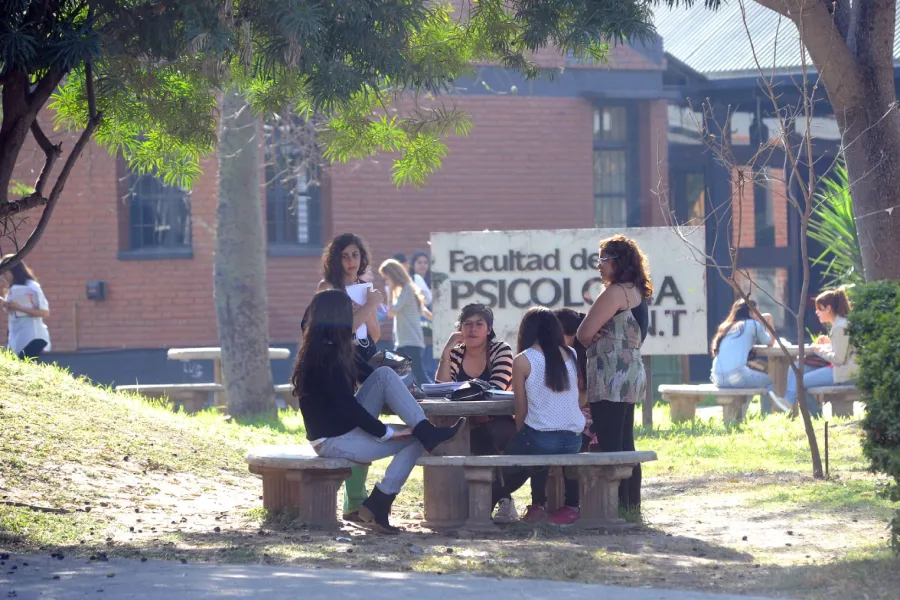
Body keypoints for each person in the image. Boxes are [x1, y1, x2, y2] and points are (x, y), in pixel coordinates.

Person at [292, 289, 464, 534]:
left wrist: (406, 391)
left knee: (386, 377)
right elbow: (347, 407)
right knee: (417, 440)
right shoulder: (325, 356)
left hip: (343, 427)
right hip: (332, 439)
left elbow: (375, 377)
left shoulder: (336, 347)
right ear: (336, 316)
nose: (355, 310)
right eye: (349, 307)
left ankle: (425, 431)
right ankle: (380, 502)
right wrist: (385, 432)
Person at [576, 235, 651, 513]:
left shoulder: (614, 292)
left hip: (609, 373)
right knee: (625, 442)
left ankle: (611, 509)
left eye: (603, 259)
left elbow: (583, 333)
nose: (599, 266)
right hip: (631, 371)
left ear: (619, 262)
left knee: (609, 443)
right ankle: (630, 507)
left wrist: (592, 334)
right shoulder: (638, 293)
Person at [490, 307, 585, 523]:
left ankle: (492, 505)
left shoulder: (523, 360)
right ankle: (559, 507)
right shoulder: (571, 354)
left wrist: (522, 436)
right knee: (534, 450)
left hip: (542, 438)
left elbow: (520, 409)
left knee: (513, 462)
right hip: (573, 440)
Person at [311, 233, 382, 522]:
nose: (351, 261)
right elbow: (337, 332)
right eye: (345, 255)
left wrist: (367, 309)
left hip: (364, 360)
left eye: (355, 255)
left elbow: (374, 335)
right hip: (336, 365)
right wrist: (361, 310)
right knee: (352, 427)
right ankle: (355, 500)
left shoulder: (364, 288)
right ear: (335, 258)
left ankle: (356, 500)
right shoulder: (326, 288)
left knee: (366, 427)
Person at [434, 303, 518, 522]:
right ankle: (484, 502)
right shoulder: (456, 353)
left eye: (478, 324)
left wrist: (462, 395)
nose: (472, 329)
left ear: (488, 329)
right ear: (459, 328)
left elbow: (494, 391)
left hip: (500, 420)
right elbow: (442, 387)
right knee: (453, 436)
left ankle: (500, 501)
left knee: (480, 435)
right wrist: (446, 352)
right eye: (467, 324)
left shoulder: (501, 349)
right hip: (463, 421)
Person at [775, 288, 858, 417]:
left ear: (828, 308)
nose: (816, 312)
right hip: (841, 369)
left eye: (819, 309)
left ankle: (816, 417)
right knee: (797, 369)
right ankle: (790, 402)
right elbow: (844, 349)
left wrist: (819, 350)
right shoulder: (840, 324)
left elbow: (839, 359)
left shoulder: (840, 326)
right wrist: (829, 343)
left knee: (800, 382)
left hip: (844, 373)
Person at [549, 308, 592, 525]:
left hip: (587, 417)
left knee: (571, 438)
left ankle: (572, 503)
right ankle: (540, 502)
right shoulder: (551, 355)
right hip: (566, 414)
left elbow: (584, 395)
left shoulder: (582, 357)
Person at [710, 298, 779, 411]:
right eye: (757, 311)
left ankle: (741, 414)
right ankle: (766, 416)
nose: (759, 314)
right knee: (768, 381)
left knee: (751, 378)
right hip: (734, 376)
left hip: (717, 378)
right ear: (750, 312)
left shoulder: (728, 326)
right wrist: (768, 320)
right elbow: (771, 342)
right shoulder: (753, 325)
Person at [379, 258, 432, 385]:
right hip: (403, 340)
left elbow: (391, 313)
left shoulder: (407, 289)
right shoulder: (406, 290)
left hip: (410, 339)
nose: (386, 282)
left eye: (386, 278)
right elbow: (424, 312)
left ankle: (434, 393)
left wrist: (390, 292)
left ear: (393, 275)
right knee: (396, 372)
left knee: (419, 374)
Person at [1, 257, 51, 360]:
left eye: (6, 273)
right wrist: (7, 305)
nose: (4, 277)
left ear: (14, 271)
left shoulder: (32, 287)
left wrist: (19, 308)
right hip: (16, 335)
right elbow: (13, 311)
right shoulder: (12, 288)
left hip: (31, 337)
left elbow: (45, 312)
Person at [409, 251, 437, 377]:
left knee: (432, 364)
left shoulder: (433, 281)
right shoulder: (409, 281)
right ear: (413, 264)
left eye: (425, 262)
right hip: (415, 325)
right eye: (419, 262)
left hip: (432, 328)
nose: (422, 265)